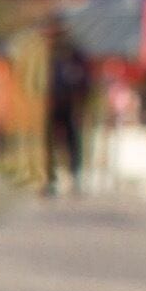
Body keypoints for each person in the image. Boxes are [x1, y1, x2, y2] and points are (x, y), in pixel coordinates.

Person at [44, 26, 89, 196]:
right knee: (47, 143)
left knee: (71, 141)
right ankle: (47, 178)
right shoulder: (44, 55)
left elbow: (84, 80)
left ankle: (72, 176)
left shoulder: (73, 55)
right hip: (47, 105)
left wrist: (81, 102)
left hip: (69, 103)